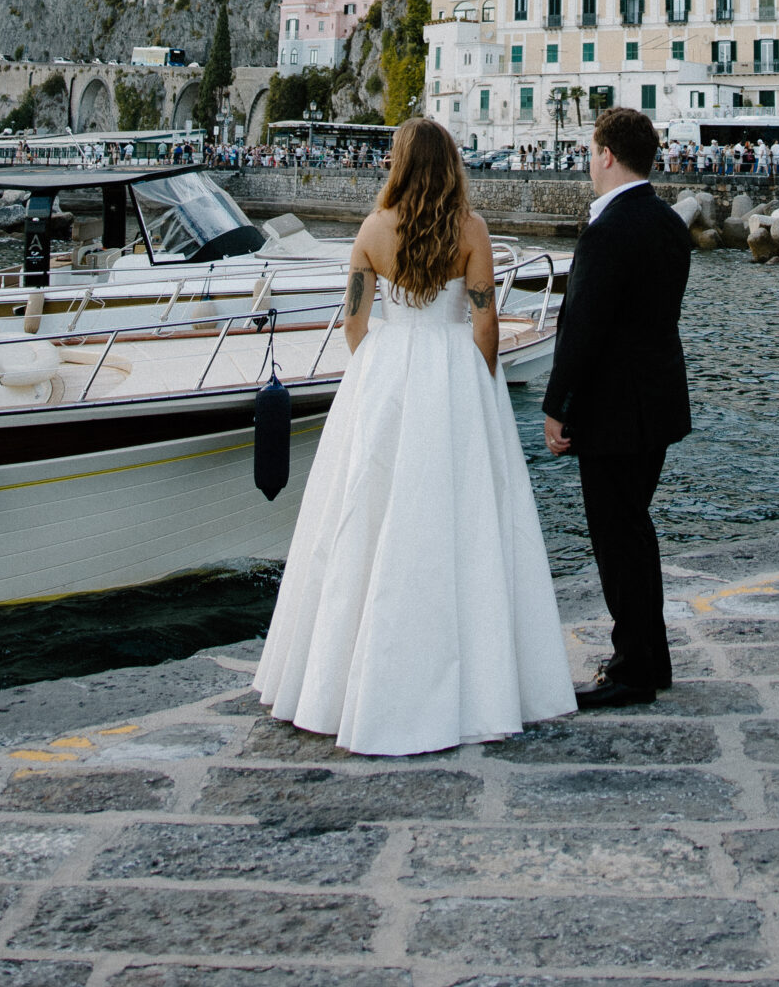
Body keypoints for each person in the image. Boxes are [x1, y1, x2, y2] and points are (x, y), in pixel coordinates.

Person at [255, 118, 575, 757]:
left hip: (388, 372)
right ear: (453, 163)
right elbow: (484, 322)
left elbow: (353, 321)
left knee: (364, 516)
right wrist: (478, 382)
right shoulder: (472, 231)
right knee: (463, 521)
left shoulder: (373, 231)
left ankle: (340, 683)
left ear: (398, 165)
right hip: (454, 371)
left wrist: (380, 366)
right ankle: (481, 684)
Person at [543, 106, 693, 711]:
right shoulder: (667, 222)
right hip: (655, 403)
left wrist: (558, 404)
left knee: (617, 536)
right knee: (634, 529)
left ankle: (636, 667)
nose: (587, 160)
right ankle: (646, 657)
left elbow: (583, 327)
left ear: (606, 154)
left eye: (590, 150)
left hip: (612, 411)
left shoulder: (607, 230)